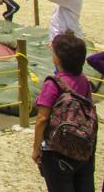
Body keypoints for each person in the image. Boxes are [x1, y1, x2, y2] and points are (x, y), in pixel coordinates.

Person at [32, 31, 97, 191]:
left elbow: (42, 119)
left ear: (57, 59)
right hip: (84, 148)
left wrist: (36, 149)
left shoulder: (53, 84)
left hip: (57, 151)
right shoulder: (84, 81)